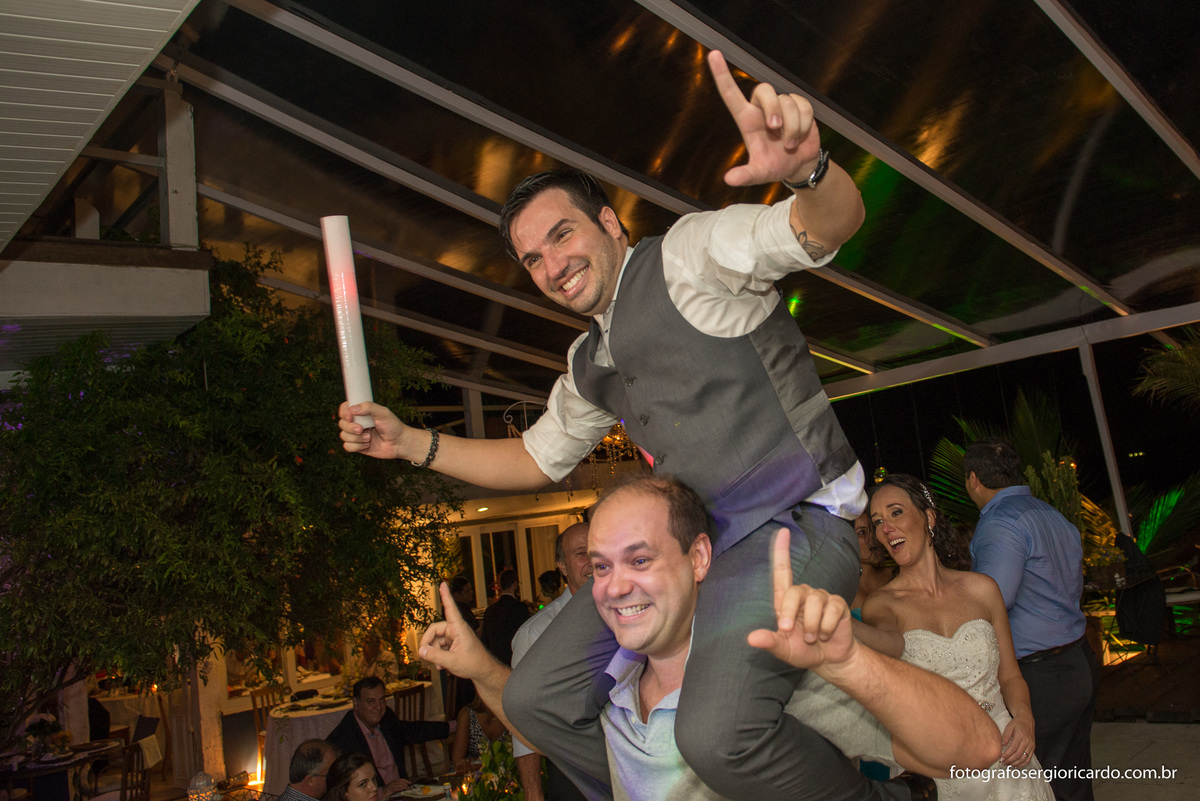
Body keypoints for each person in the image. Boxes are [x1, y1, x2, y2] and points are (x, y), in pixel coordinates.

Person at [340, 49, 877, 800]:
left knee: (715, 731)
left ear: (608, 221)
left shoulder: (688, 256)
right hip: (695, 554)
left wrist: (809, 170)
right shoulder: (590, 357)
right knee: (534, 698)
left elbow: (826, 229)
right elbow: (533, 459)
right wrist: (408, 441)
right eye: (531, 258)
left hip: (798, 525)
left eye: (561, 235)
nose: (550, 264)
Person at [417, 475, 1000, 801]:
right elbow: (537, 722)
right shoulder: (614, 688)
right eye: (599, 566)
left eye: (638, 559)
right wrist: (478, 666)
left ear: (699, 557)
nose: (615, 586)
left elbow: (974, 750)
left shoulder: (762, 678)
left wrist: (847, 662)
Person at [849, 474, 1051, 800]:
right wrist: (842, 625)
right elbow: (890, 641)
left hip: (1008, 757)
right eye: (877, 521)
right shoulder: (881, 605)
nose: (886, 528)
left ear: (928, 517)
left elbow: (1011, 675)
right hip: (941, 767)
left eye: (896, 512)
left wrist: (1025, 719)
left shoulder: (983, 590)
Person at [965, 439, 1100, 801]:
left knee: (1040, 786)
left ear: (973, 480)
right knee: (1073, 779)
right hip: (1078, 659)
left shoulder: (1000, 522)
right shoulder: (1051, 514)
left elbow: (992, 602)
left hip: (1042, 676)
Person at [511, 522, 593, 801]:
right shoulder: (535, 634)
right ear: (562, 565)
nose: (593, 562)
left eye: (597, 551)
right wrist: (534, 794)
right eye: (582, 553)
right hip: (572, 777)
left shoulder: (629, 612)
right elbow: (521, 723)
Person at [325, 677, 452, 797]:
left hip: (402, 794)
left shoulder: (386, 718)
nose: (378, 707)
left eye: (382, 700)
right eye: (371, 701)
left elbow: (414, 730)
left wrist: (456, 725)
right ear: (356, 704)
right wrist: (381, 793)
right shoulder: (344, 737)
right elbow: (339, 791)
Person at [480, 567, 530, 666]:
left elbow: (485, 641)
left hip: (496, 661)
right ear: (515, 584)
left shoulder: (490, 611)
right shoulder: (520, 608)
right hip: (516, 659)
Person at [451, 695, 510, 771]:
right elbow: (457, 762)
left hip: (507, 776)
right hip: (473, 776)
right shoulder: (467, 715)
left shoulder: (510, 715)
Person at [851, 510, 895, 612]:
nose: (873, 537)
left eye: (874, 528)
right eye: (862, 532)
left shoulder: (896, 574)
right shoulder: (842, 589)